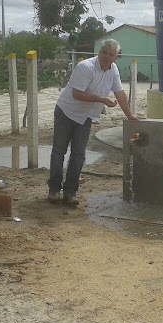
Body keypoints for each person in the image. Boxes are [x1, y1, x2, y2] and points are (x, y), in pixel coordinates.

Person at [48, 39, 138, 207]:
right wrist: (101, 99)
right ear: (99, 52)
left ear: (116, 57)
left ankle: (70, 193)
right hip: (66, 112)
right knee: (59, 151)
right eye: (104, 52)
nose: (106, 56)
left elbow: (120, 93)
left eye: (111, 54)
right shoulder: (86, 67)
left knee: (79, 154)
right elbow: (77, 94)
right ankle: (53, 190)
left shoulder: (113, 70)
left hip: (85, 117)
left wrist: (130, 115)